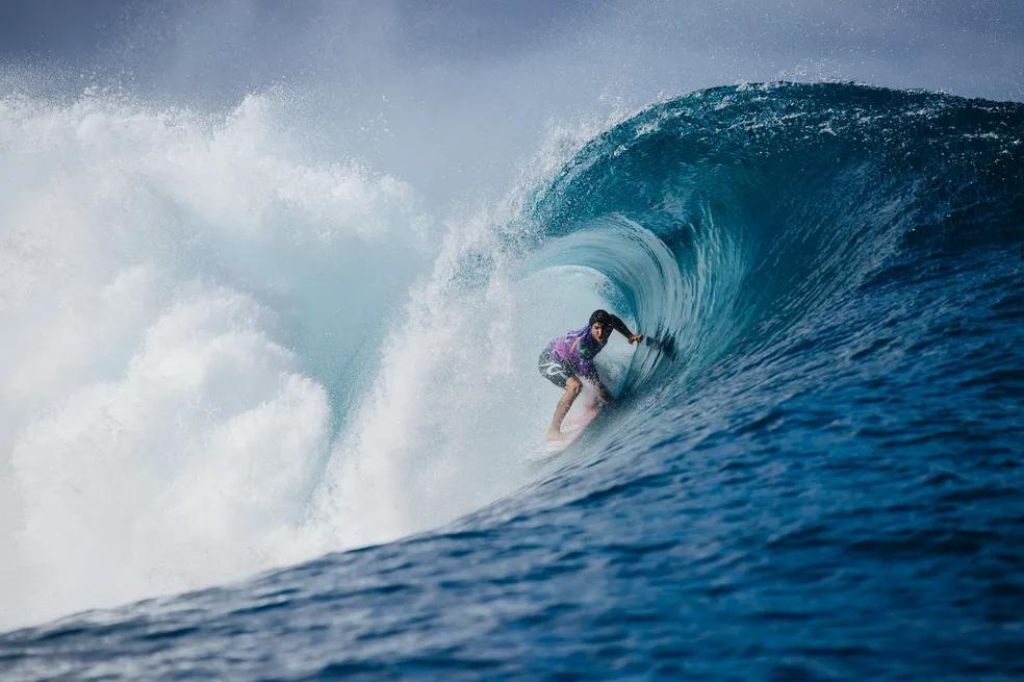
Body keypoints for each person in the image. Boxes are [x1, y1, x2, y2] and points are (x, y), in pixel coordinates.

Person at [538, 309, 643, 440]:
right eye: (596, 328)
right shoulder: (583, 348)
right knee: (575, 386)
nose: (600, 333)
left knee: (601, 382)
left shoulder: (608, 324)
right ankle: (553, 432)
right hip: (550, 359)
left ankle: (589, 405)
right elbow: (596, 384)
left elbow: (614, 320)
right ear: (591, 327)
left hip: (569, 357)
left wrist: (630, 336)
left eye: (603, 328)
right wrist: (616, 405)